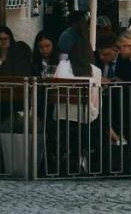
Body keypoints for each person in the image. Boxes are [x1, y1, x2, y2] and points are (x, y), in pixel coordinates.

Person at [54, 35, 102, 174]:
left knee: (72, 126)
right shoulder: (95, 70)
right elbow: (96, 100)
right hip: (85, 114)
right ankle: (82, 157)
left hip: (62, 112)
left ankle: (67, 156)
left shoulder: (62, 66)